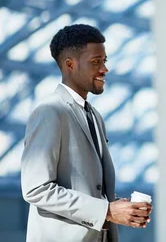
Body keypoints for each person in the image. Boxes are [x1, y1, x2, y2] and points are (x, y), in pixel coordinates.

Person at [21, 24, 152, 242]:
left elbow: (91, 187)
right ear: (70, 65)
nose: (104, 69)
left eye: (104, 61)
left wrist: (121, 207)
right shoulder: (49, 112)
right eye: (95, 62)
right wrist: (107, 211)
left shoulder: (94, 116)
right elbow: (36, 189)